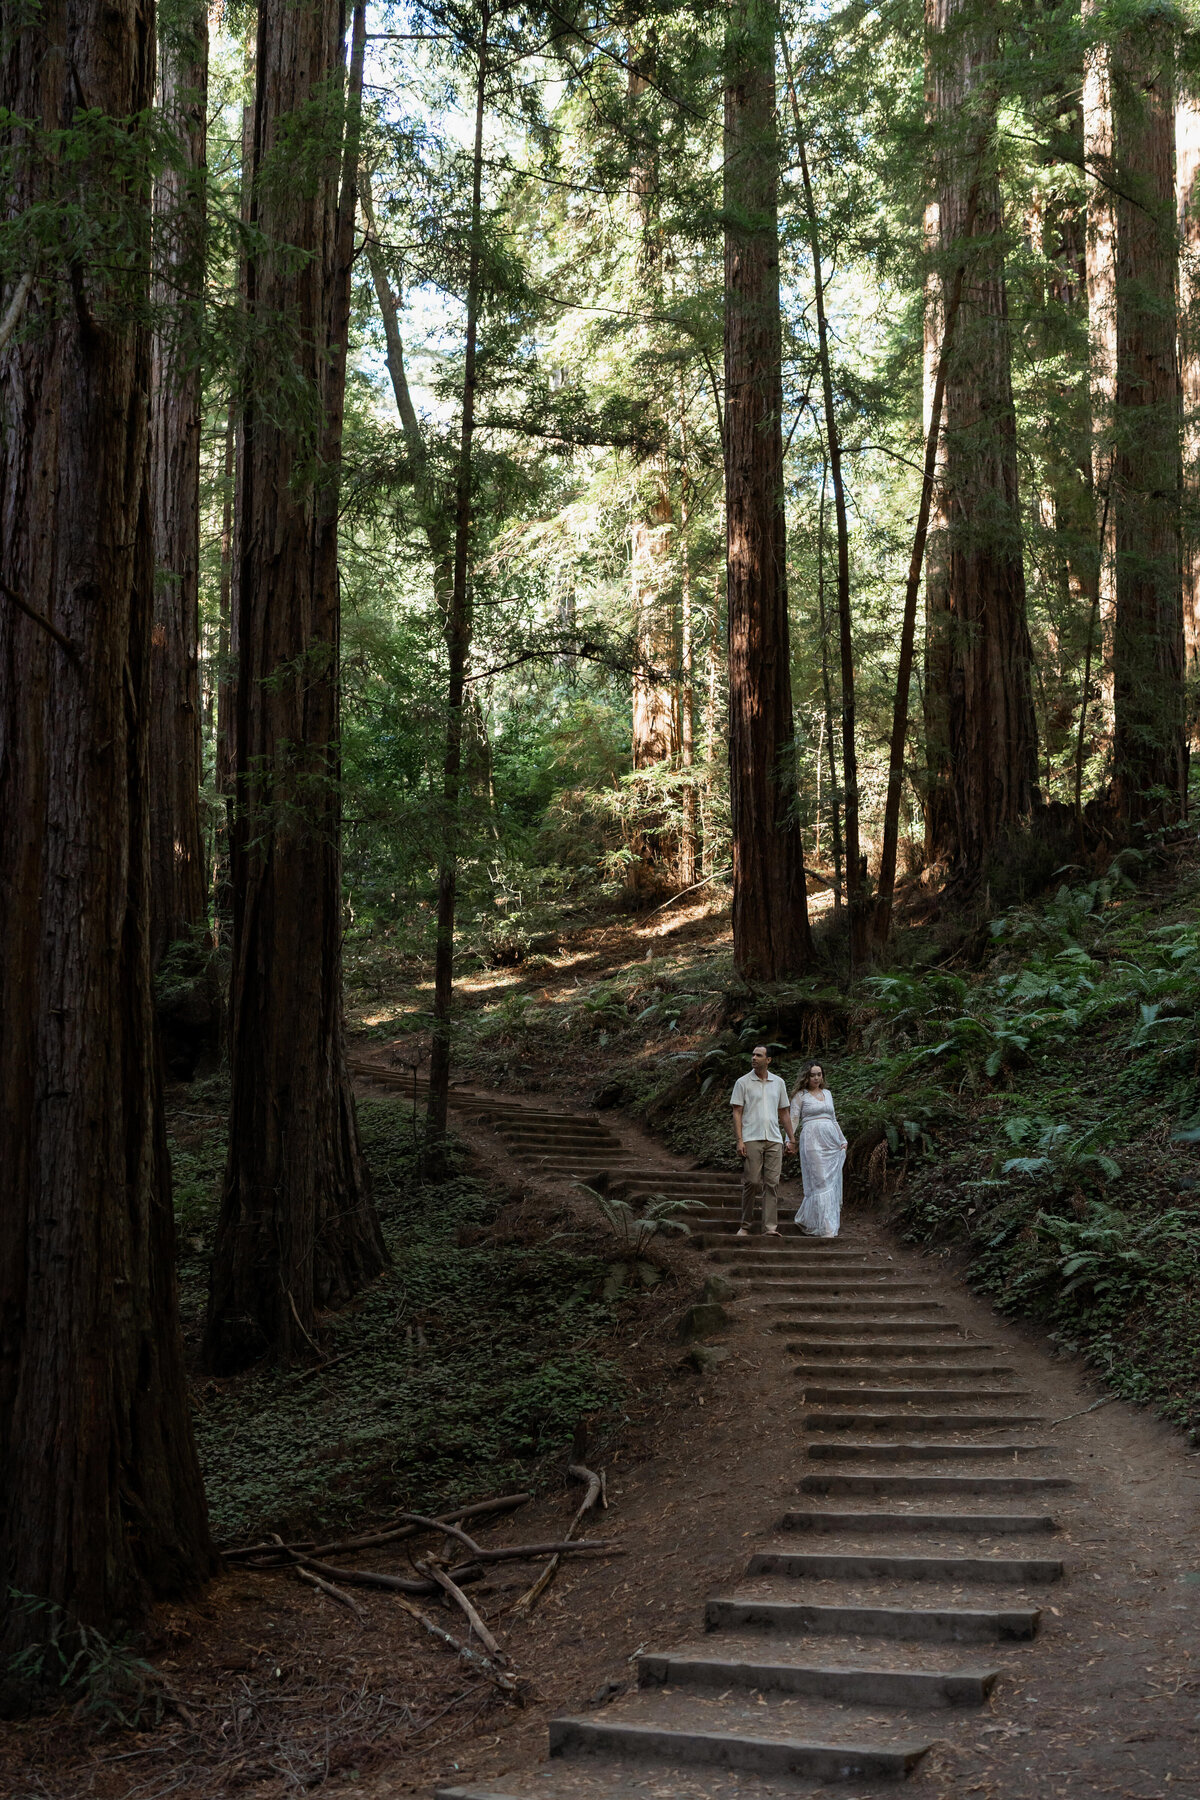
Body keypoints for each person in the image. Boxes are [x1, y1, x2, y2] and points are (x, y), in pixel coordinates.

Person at [730, 1045, 796, 1237]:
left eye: (759, 1055)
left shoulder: (779, 1083)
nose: (754, 1058)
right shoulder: (743, 1082)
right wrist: (739, 1140)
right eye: (753, 1054)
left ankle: (769, 1228)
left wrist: (791, 1139)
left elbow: (784, 1112)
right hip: (751, 1137)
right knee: (751, 1181)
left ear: (768, 1060)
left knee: (772, 1183)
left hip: (774, 1139)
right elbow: (737, 1112)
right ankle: (745, 1225)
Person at [789, 1060, 848, 1238]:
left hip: (830, 1141)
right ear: (806, 1077)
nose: (816, 1078)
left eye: (819, 1074)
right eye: (812, 1075)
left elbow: (833, 1119)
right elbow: (793, 1120)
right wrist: (789, 1141)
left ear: (823, 1076)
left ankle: (827, 1224)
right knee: (820, 1180)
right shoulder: (800, 1096)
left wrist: (842, 1138)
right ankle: (824, 1226)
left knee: (830, 1182)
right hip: (811, 1140)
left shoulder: (828, 1094)